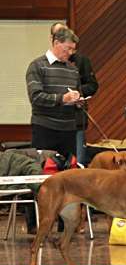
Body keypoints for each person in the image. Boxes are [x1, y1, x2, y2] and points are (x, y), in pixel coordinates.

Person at [26, 27, 82, 157]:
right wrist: (63, 99)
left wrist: (79, 102)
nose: (70, 52)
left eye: (73, 49)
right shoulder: (37, 65)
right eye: (67, 48)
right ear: (56, 43)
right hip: (45, 129)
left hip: (69, 130)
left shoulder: (73, 70)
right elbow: (36, 97)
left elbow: (77, 94)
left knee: (68, 172)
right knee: (44, 169)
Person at [50, 22, 99, 165]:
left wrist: (77, 93)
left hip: (76, 120)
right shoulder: (46, 63)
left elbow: (93, 85)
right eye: (57, 34)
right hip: (53, 120)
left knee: (77, 161)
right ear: (53, 40)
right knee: (52, 162)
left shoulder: (81, 61)